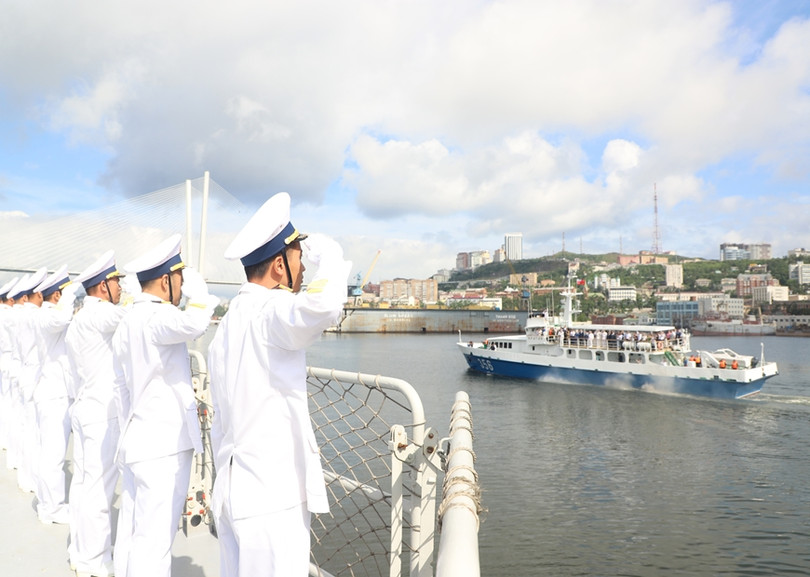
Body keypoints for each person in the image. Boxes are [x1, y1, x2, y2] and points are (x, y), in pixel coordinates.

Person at [208, 192, 351, 576]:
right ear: (277, 266)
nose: (302, 270)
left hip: (234, 486)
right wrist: (332, 256)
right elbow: (323, 307)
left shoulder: (230, 320)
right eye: (298, 260)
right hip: (271, 496)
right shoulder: (268, 312)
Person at [112, 234, 218, 577]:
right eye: (181, 279)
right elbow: (195, 323)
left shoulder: (128, 320)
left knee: (133, 533)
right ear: (166, 280)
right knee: (155, 544)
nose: (183, 286)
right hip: (163, 447)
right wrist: (199, 294)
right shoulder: (156, 317)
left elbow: (121, 390)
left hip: (136, 441)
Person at [65, 251, 127, 577]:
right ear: (103, 286)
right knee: (99, 491)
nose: (121, 288)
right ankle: (96, 560)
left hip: (84, 408)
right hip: (102, 413)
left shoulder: (78, 317)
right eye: (117, 282)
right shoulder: (101, 313)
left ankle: (79, 550)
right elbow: (132, 318)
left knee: (83, 485)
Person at [32, 265, 78, 524]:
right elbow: (61, 320)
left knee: (51, 454)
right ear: (57, 295)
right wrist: (71, 295)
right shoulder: (48, 315)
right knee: (53, 455)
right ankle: (52, 508)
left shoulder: (48, 313)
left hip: (55, 393)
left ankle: (49, 504)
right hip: (53, 395)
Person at [9, 267, 48, 493]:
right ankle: (32, 480)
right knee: (33, 434)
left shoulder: (17, 315)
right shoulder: (32, 316)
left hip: (18, 369)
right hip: (32, 375)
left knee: (21, 425)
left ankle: (24, 474)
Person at [0, 276, 20, 456]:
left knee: (5, 403)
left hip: (4, 360)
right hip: (13, 361)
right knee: (14, 408)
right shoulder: (11, 315)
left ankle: (5, 440)